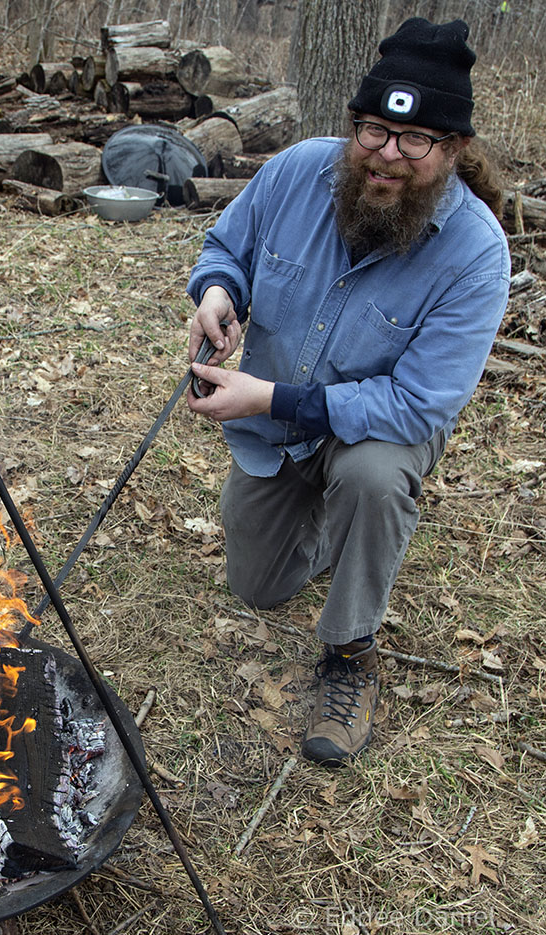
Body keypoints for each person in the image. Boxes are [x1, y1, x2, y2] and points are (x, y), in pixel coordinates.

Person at [185, 17, 510, 766]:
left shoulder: (474, 255)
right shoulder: (298, 170)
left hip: (376, 428)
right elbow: (225, 247)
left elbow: (420, 403)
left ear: (454, 149)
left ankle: (350, 653)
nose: (385, 154)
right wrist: (217, 292)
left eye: (414, 140)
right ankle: (333, 528)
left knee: (371, 476)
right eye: (371, 130)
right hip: (277, 425)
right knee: (257, 588)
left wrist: (266, 397)